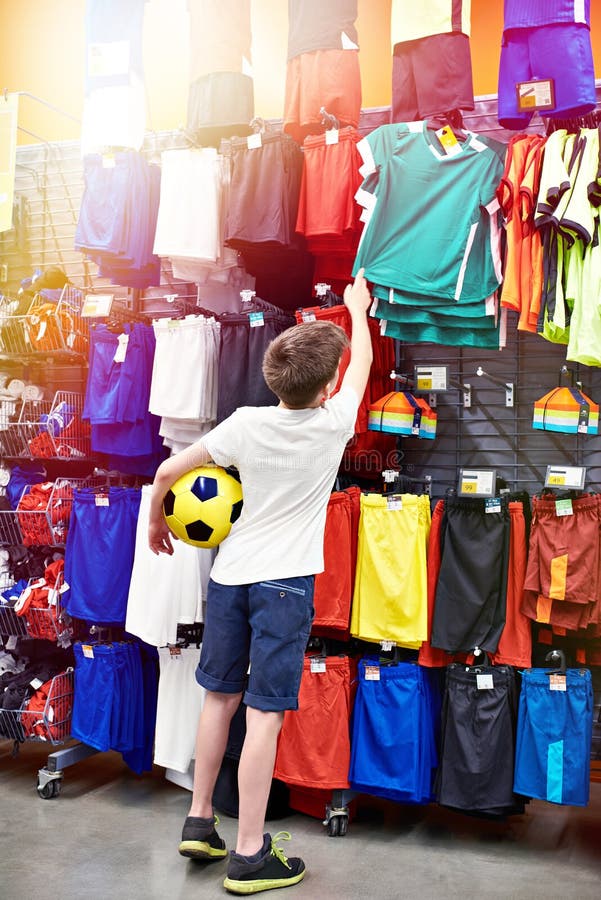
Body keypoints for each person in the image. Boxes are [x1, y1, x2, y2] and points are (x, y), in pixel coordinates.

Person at [148, 269, 373, 894]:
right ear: (327, 388)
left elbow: (167, 469)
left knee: (218, 698)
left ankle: (198, 822)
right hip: (283, 589)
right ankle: (249, 852)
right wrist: (355, 312)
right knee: (266, 715)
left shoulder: (245, 424)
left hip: (230, 578)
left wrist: (153, 525)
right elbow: (359, 369)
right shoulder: (334, 426)